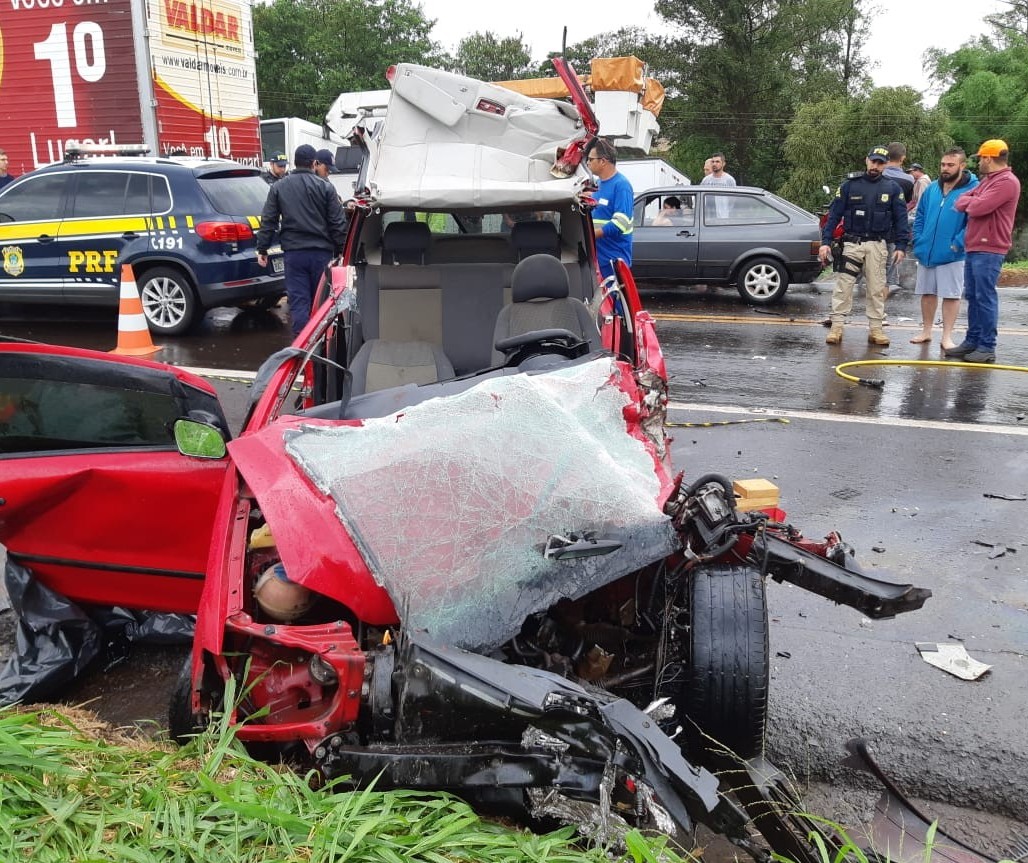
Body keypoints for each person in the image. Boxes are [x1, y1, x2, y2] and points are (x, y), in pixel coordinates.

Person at [818, 145, 909, 347]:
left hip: (878, 245)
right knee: (843, 286)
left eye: (880, 163)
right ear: (866, 160)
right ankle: (837, 327)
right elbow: (833, 216)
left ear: (885, 165)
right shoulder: (850, 186)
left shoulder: (893, 188)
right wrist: (825, 243)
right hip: (852, 244)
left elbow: (901, 219)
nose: (875, 166)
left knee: (876, 288)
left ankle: (876, 330)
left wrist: (902, 246)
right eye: (873, 161)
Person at [255, 144, 348, 335]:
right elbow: (337, 224)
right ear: (314, 163)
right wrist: (342, 252)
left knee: (299, 304)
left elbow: (268, 220)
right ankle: (320, 344)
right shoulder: (326, 187)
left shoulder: (279, 187)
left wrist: (262, 249)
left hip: (294, 256)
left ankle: (301, 351)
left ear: (294, 163)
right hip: (321, 256)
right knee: (320, 303)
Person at [945, 139, 1022, 364]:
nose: (978, 162)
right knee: (972, 295)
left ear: (989, 158)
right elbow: (960, 202)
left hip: (990, 246)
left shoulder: (1007, 182)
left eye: (980, 158)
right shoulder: (989, 181)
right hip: (975, 244)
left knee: (984, 296)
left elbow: (977, 207)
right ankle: (973, 341)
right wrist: (972, 200)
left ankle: (987, 346)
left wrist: (972, 201)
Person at [909, 148, 978, 349]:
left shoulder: (973, 189)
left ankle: (947, 336)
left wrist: (957, 243)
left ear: (962, 166)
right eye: (943, 164)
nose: (945, 169)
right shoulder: (932, 188)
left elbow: (973, 221)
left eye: (950, 165)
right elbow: (920, 214)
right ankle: (926, 331)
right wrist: (919, 239)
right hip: (927, 250)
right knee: (927, 293)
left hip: (953, 253)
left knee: (951, 295)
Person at [587, 137, 634, 280]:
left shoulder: (622, 186)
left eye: (590, 159)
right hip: (600, 258)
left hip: (614, 259)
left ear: (603, 161)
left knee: (616, 301)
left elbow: (620, 223)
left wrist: (589, 235)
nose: (587, 163)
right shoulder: (598, 184)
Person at [882, 142, 914, 291]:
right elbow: (907, 201)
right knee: (891, 257)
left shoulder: (879, 173)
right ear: (902, 158)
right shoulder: (908, 180)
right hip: (894, 224)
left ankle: (866, 283)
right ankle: (889, 284)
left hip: (871, 225)